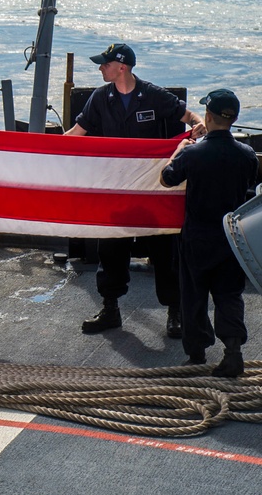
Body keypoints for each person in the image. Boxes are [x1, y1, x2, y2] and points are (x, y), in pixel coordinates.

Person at [64, 43, 206, 337]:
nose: (100, 68)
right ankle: (110, 308)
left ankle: (175, 311)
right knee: (111, 249)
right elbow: (77, 135)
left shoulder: (153, 95)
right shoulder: (100, 98)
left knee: (164, 252)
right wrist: (39, 149)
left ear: (122, 67)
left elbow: (189, 117)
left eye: (105, 64)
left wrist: (200, 124)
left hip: (155, 188)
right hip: (118, 189)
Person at [160, 89, 260, 377]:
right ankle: (233, 352)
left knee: (194, 294)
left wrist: (177, 152)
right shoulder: (247, 155)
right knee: (229, 294)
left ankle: (196, 355)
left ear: (208, 116)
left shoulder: (193, 153)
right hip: (232, 238)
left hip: (198, 236)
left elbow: (167, 179)